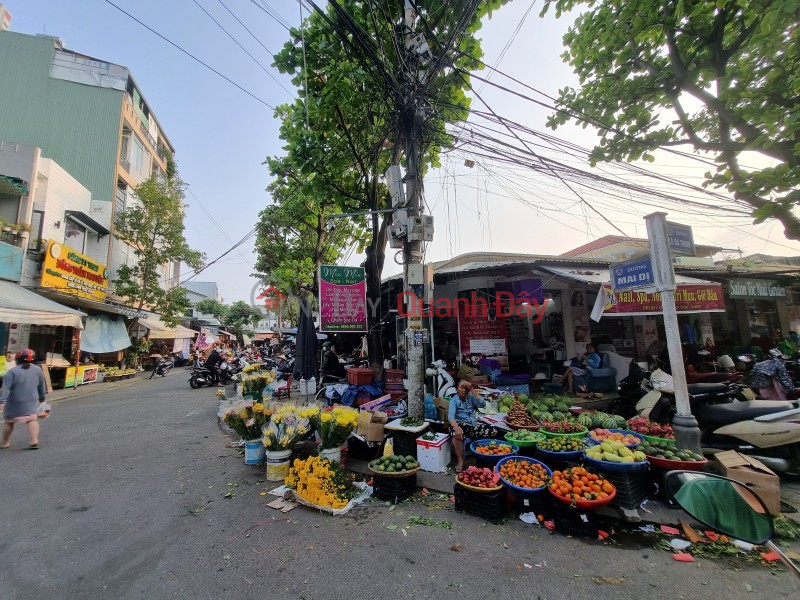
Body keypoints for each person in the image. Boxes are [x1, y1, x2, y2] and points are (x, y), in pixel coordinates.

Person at [0, 349, 47, 450]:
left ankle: (5, 442)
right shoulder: (38, 370)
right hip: (31, 400)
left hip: (14, 402)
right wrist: (42, 399)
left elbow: (6, 388)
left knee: (9, 421)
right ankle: (34, 441)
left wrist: (2, 401)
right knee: (32, 420)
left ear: (18, 360)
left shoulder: (12, 372)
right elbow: (41, 386)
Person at [448, 381, 499, 473]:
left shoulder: (470, 397)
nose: (464, 390)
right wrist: (457, 429)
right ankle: (460, 460)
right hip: (460, 425)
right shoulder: (454, 401)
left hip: (472, 427)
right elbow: (451, 417)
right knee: (456, 434)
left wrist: (472, 389)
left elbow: (482, 404)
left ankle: (485, 456)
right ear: (457, 389)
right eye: (461, 388)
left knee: (492, 430)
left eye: (466, 388)